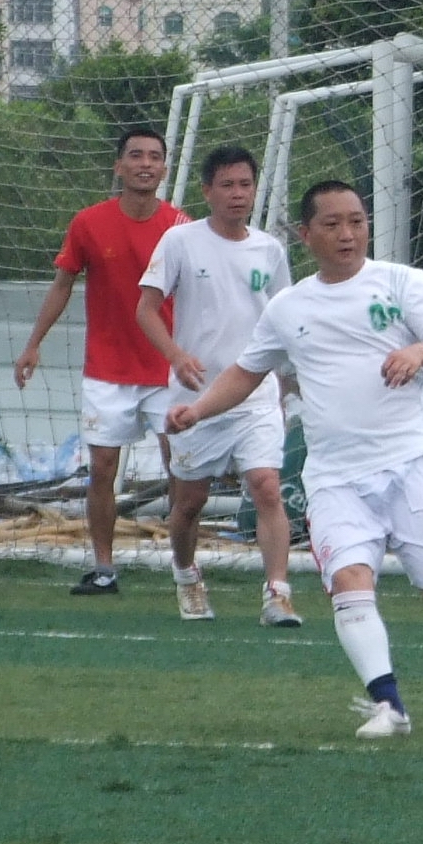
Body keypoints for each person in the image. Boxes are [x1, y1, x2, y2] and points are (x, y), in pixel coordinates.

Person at [168, 181, 423, 738]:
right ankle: (389, 707)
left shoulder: (401, 282)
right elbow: (246, 372)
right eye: (332, 224)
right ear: (306, 235)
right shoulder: (288, 307)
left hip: (412, 463)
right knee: (349, 585)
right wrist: (198, 410)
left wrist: (417, 351)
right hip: (335, 477)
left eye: (357, 221)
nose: (348, 233)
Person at [15, 128, 187, 596]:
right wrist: (33, 344)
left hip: (166, 370)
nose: (145, 163)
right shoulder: (88, 223)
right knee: (104, 469)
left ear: (164, 168)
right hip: (107, 371)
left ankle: (185, 568)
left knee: (181, 467)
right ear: (119, 166)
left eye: (154, 156)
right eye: (136, 155)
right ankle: (104, 568)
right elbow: (62, 285)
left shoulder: (181, 227)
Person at [136, 145, 302, 626]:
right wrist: (176, 356)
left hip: (256, 396)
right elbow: (145, 309)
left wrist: (289, 382)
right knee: (189, 503)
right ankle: (186, 575)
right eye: (227, 185)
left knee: (266, 487)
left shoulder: (269, 249)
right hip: (195, 398)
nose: (237, 194)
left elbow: (285, 320)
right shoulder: (179, 241)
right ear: (207, 191)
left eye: (245, 184)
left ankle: (277, 593)